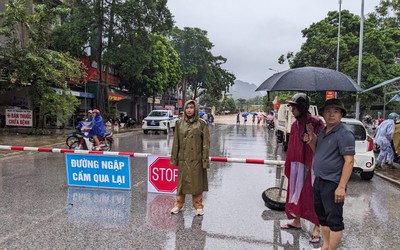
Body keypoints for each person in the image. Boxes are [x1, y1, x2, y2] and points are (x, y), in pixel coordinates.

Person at [304, 98, 355, 250]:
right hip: (319, 180)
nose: (331, 114)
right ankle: (325, 247)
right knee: (323, 219)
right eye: (328, 111)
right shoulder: (324, 132)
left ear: (341, 114)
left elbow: (349, 162)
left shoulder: (344, 133)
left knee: (334, 221)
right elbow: (318, 151)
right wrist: (311, 138)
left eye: (336, 111)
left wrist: (341, 187)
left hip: (333, 183)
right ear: (323, 114)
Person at [280, 93, 324, 244]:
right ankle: (296, 221)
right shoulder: (294, 125)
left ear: (302, 107)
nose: (291, 110)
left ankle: (317, 228)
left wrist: (311, 136)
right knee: (296, 193)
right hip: (296, 165)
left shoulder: (316, 123)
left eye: (294, 107)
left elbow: (321, 146)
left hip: (311, 165)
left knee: (313, 196)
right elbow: (292, 148)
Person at [170, 100, 210, 216]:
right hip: (183, 159)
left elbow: (206, 144)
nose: (189, 110)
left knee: (196, 184)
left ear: (195, 109)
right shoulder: (179, 123)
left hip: (196, 159)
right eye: (187, 107)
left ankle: (198, 206)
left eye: (191, 107)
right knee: (181, 184)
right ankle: (178, 204)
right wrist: (174, 159)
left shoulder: (202, 124)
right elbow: (176, 143)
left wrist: (204, 160)